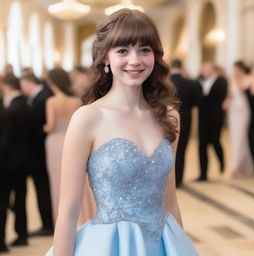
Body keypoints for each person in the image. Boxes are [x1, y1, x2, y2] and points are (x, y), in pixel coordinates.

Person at [45, 9, 199, 256]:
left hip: (162, 243)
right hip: (109, 246)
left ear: (155, 57)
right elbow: (68, 212)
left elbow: (169, 201)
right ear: (106, 57)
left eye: (144, 50)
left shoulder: (169, 117)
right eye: (123, 51)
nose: (135, 60)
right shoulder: (88, 118)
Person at [43, 68, 91, 223]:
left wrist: (42, 127)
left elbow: (50, 126)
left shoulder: (51, 101)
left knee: (58, 180)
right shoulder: (75, 101)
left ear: (52, 82)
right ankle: (81, 215)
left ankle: (63, 218)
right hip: (73, 140)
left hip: (55, 142)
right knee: (77, 178)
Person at [0, 74, 37, 252]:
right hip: (25, 162)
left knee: (3, 201)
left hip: (6, 164)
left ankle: (1, 241)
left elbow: (4, 142)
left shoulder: (9, 111)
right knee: (21, 200)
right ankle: (22, 234)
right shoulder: (28, 107)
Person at [20, 73, 54, 236]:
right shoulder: (41, 97)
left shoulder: (42, 98)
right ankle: (47, 222)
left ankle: (48, 224)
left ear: (28, 83)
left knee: (43, 188)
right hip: (38, 151)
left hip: (39, 152)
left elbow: (40, 128)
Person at [170, 59, 202, 187]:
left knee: (167, 151)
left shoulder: (164, 82)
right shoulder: (191, 83)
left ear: (171, 67)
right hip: (186, 119)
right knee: (181, 150)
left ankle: (167, 182)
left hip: (165, 118)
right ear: (181, 67)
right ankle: (179, 180)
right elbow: (197, 102)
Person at [197, 62, 228, 181]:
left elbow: (220, 96)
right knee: (202, 146)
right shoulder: (198, 81)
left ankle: (222, 162)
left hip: (216, 117)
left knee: (215, 141)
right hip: (202, 117)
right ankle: (203, 174)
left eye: (206, 68)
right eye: (203, 68)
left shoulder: (221, 81)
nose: (204, 71)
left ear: (212, 70)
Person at [227, 61, 254, 177]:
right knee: (234, 137)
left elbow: (247, 91)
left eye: (236, 69)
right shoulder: (232, 80)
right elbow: (230, 96)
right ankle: (237, 165)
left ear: (241, 69)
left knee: (242, 137)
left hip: (244, 109)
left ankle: (239, 165)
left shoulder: (250, 78)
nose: (235, 72)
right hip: (233, 111)